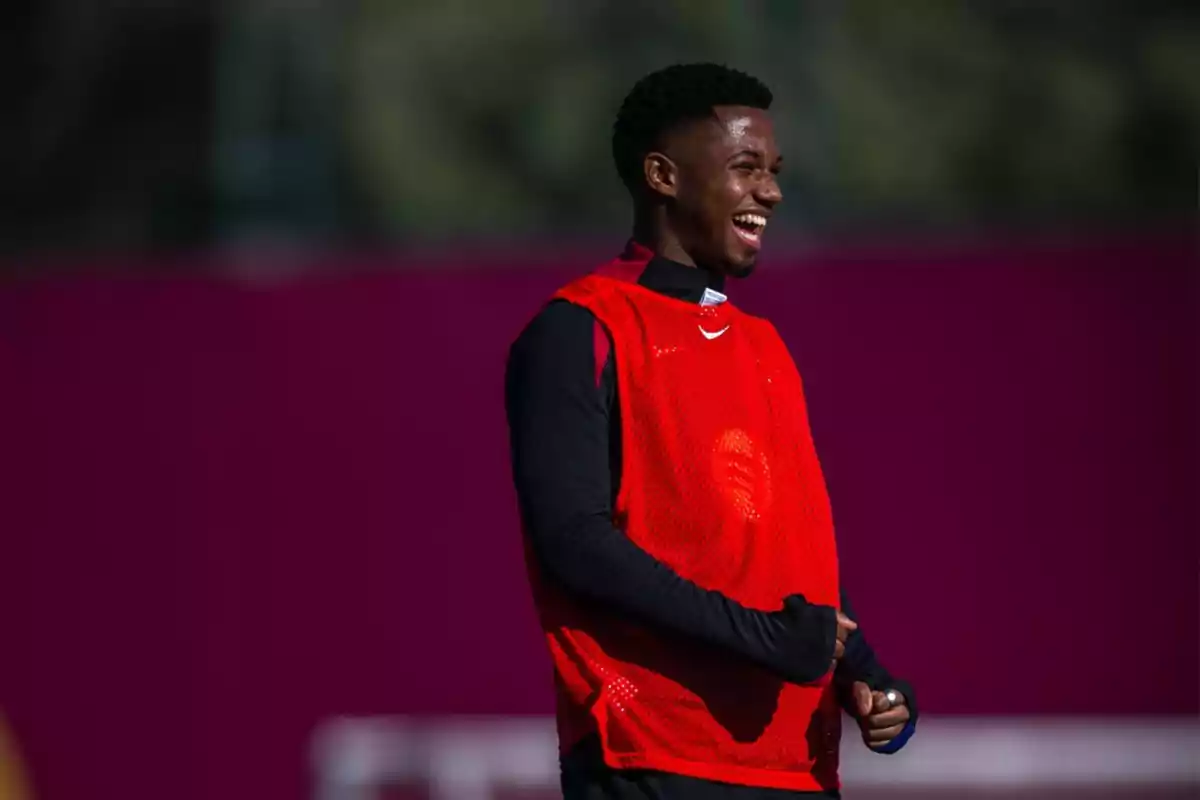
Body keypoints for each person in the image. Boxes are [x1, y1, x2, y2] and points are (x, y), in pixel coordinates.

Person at [505, 63, 916, 800]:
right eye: (745, 168)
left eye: (775, 171)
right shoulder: (579, 329)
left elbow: (794, 557)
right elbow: (574, 544)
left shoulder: (765, 346)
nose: (772, 192)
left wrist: (865, 674)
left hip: (796, 768)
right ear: (662, 175)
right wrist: (769, 639)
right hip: (651, 762)